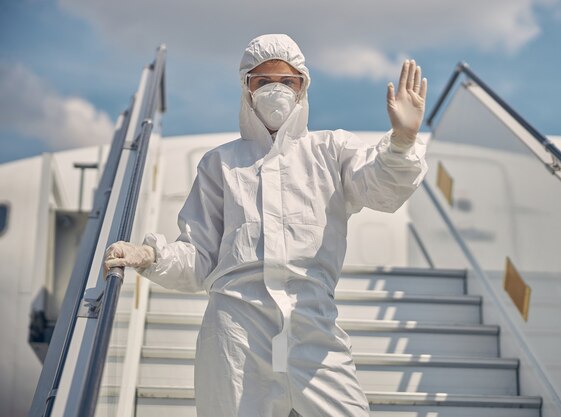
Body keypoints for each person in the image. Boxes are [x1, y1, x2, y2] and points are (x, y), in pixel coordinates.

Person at [104, 34, 428, 417]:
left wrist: (402, 141)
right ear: (247, 88)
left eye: (287, 82)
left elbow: (381, 191)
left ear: (303, 87)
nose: (276, 91)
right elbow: (199, 258)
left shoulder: (332, 150)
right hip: (236, 332)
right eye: (263, 82)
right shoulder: (220, 164)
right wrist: (150, 256)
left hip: (312, 326)